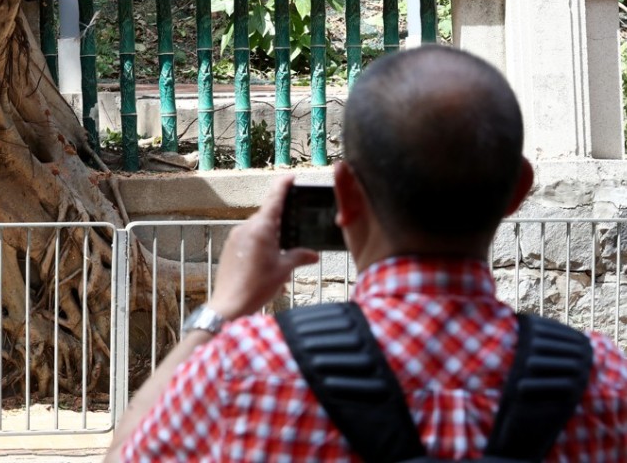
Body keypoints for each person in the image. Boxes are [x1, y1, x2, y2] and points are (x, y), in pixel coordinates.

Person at [105, 45, 627, 462]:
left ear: (347, 196)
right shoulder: (607, 385)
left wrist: (220, 312)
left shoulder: (246, 367)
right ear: (519, 189)